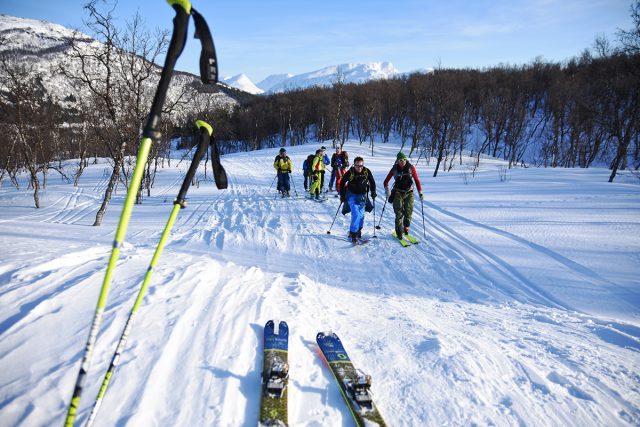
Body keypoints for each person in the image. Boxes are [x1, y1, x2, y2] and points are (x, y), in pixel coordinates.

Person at [383, 152, 423, 239]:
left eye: (404, 159)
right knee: (399, 213)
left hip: (409, 192)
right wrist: (387, 190)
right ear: (397, 161)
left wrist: (420, 192)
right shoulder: (394, 169)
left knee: (408, 212)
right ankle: (399, 232)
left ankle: (406, 227)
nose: (403, 161)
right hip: (397, 193)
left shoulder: (411, 168)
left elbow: (416, 180)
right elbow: (385, 181)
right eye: (401, 160)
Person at [340, 156, 377, 242]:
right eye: (357, 166)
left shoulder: (366, 171)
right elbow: (342, 182)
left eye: (361, 166)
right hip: (351, 195)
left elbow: (372, 182)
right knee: (356, 213)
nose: (359, 168)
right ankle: (353, 233)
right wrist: (342, 195)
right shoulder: (350, 172)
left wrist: (373, 192)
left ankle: (358, 231)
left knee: (361, 215)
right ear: (354, 165)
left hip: (362, 196)